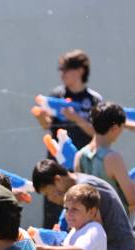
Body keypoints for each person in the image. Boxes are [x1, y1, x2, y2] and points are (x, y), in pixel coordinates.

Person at [32, 49, 103, 229]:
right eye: (61, 70)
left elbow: (98, 133)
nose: (62, 74)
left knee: (81, 204)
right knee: (53, 207)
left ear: (80, 70)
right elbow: (47, 125)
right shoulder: (56, 95)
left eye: (66, 69)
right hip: (57, 164)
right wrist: (41, 117)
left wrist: (76, 118)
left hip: (83, 164)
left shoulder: (93, 99)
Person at [73, 102, 135, 213]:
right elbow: (132, 200)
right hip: (112, 225)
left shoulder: (79, 156)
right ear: (115, 128)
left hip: (89, 223)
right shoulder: (113, 158)